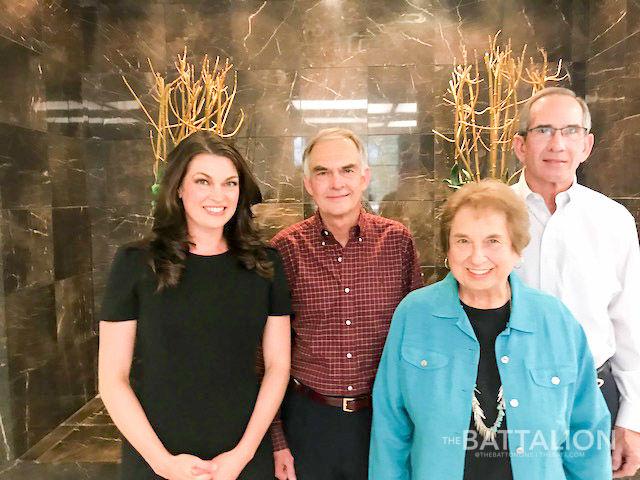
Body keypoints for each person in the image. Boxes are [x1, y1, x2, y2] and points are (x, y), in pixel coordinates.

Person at [369, 179, 612, 479]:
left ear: (517, 248)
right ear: (448, 248)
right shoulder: (414, 315)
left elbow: (587, 431)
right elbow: (390, 430)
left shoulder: (556, 321)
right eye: (463, 240)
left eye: (493, 241)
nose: (477, 257)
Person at [98, 131, 291, 480]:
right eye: (203, 181)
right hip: (156, 453)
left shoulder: (266, 264)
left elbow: (278, 367)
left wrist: (243, 454)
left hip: (242, 453)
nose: (219, 195)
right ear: (179, 188)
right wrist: (162, 462)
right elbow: (112, 379)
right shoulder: (135, 263)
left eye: (230, 183)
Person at [269, 128, 423, 480]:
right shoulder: (285, 250)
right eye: (323, 172)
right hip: (309, 421)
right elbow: (266, 354)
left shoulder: (396, 242)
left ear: (365, 177)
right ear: (309, 183)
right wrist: (277, 440)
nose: (336, 182)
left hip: (382, 419)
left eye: (348, 170)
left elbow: (416, 339)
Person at [511, 87, 640, 478]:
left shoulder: (613, 220)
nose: (557, 144)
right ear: (520, 145)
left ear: (587, 145)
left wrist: (632, 418)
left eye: (570, 131)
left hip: (593, 394)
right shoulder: (492, 212)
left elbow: (629, 321)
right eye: (544, 130)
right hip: (511, 394)